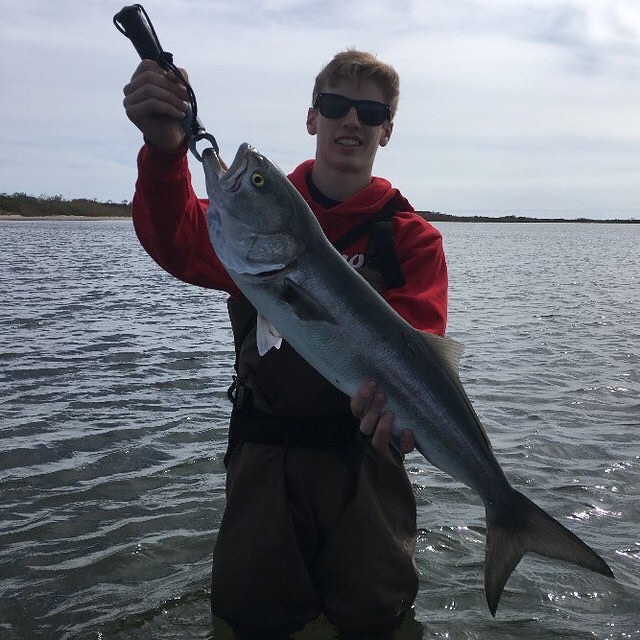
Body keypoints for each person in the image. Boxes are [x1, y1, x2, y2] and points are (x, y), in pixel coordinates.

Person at [123, 49, 448, 639]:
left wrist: (399, 417)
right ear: (312, 117)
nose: (351, 121)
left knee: (377, 622)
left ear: (387, 130)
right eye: (335, 105)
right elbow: (176, 239)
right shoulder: (250, 228)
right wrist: (167, 149)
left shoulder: (411, 238)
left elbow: (422, 352)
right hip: (264, 466)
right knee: (253, 622)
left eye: (370, 111)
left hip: (366, 472)